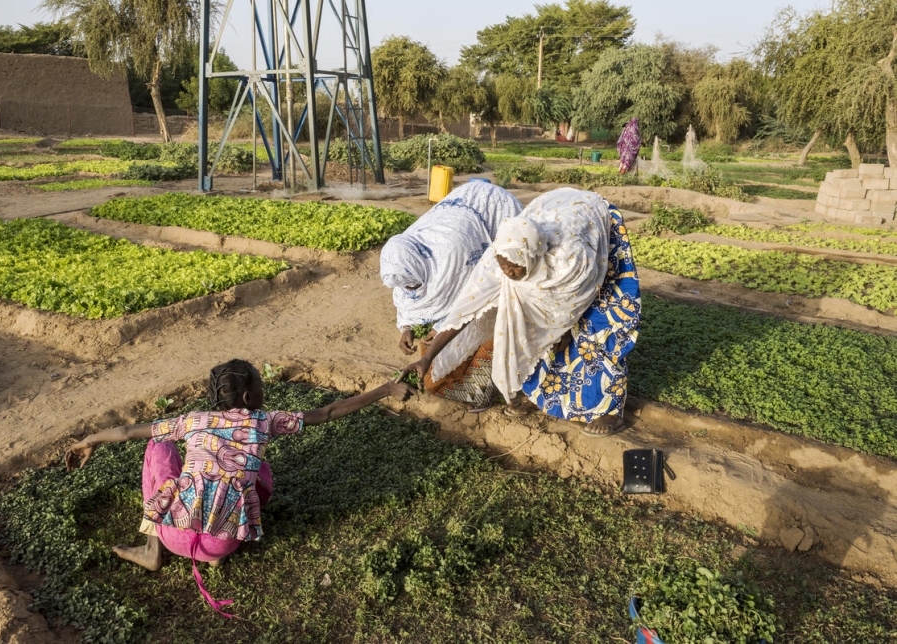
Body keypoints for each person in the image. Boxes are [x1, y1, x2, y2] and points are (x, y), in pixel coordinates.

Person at [66, 358, 413, 616]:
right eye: (262, 385)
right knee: (258, 469)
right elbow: (328, 412)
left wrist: (90, 440)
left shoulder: (192, 421)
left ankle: (151, 549)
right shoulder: (264, 422)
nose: (266, 389)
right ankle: (211, 554)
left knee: (159, 448)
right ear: (250, 395)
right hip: (224, 543)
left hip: (174, 534)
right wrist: (385, 389)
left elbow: (128, 432)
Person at [397, 188, 640, 436]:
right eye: (505, 267)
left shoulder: (570, 260)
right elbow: (465, 311)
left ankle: (609, 409)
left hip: (593, 229)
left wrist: (563, 329)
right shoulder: (499, 259)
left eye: (515, 268)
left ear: (533, 256)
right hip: (551, 208)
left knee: (599, 324)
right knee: (526, 329)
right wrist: (427, 358)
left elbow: (575, 301)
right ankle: (540, 394)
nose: (509, 273)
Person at [380, 181, 522, 361]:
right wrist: (407, 327)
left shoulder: (452, 256)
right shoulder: (400, 257)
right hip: (460, 212)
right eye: (406, 286)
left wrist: (442, 326)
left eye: (412, 283)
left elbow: (473, 293)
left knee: (503, 277)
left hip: (491, 206)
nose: (409, 288)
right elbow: (406, 298)